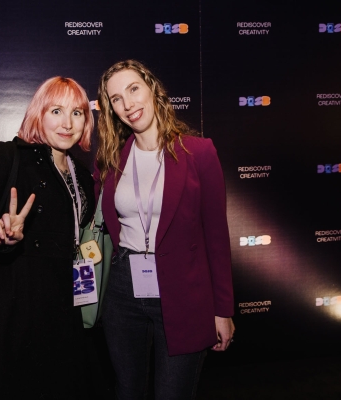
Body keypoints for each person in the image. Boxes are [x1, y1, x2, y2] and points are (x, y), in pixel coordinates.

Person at [95, 60, 235, 399]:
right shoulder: (112, 161)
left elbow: (216, 236)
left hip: (184, 289)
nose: (127, 105)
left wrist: (223, 310)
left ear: (152, 89)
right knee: (127, 391)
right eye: (116, 99)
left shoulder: (199, 153)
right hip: (123, 289)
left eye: (133, 89)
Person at [0, 77, 97, 399]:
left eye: (77, 113)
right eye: (56, 111)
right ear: (39, 114)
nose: (67, 123)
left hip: (66, 305)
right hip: (15, 305)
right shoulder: (7, 156)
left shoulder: (83, 174)